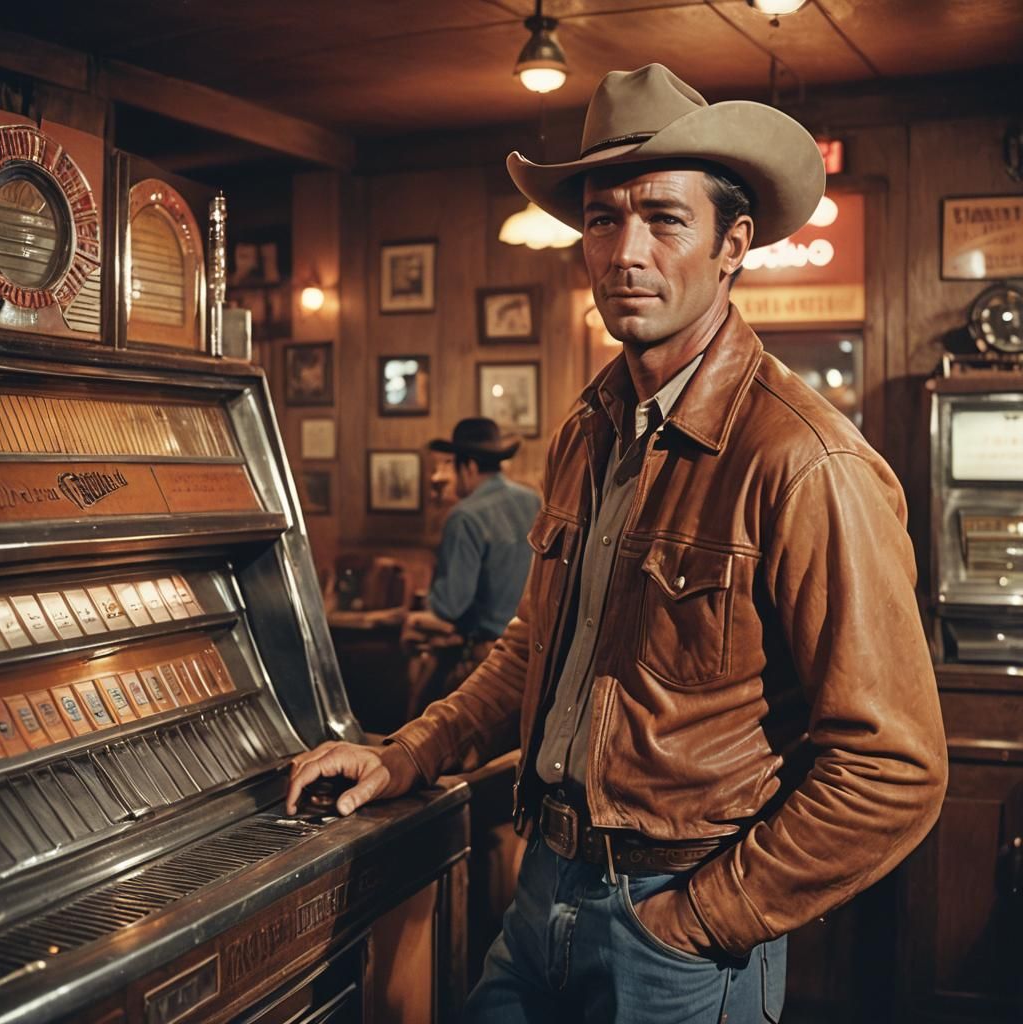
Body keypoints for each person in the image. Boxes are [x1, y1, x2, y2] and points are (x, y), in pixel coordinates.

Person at [287, 64, 947, 1023]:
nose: (625, 252)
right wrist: (409, 750)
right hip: (542, 885)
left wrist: (701, 918)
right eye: (603, 219)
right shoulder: (592, 428)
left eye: (664, 219)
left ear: (734, 246)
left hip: (679, 930)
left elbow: (894, 767)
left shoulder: (806, 462)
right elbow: (539, 651)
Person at [401, 417, 540, 712]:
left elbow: (451, 605)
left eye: (452, 465)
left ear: (470, 467)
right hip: (534, 655)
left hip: (485, 660)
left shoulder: (464, 515)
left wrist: (425, 605)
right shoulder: (533, 501)